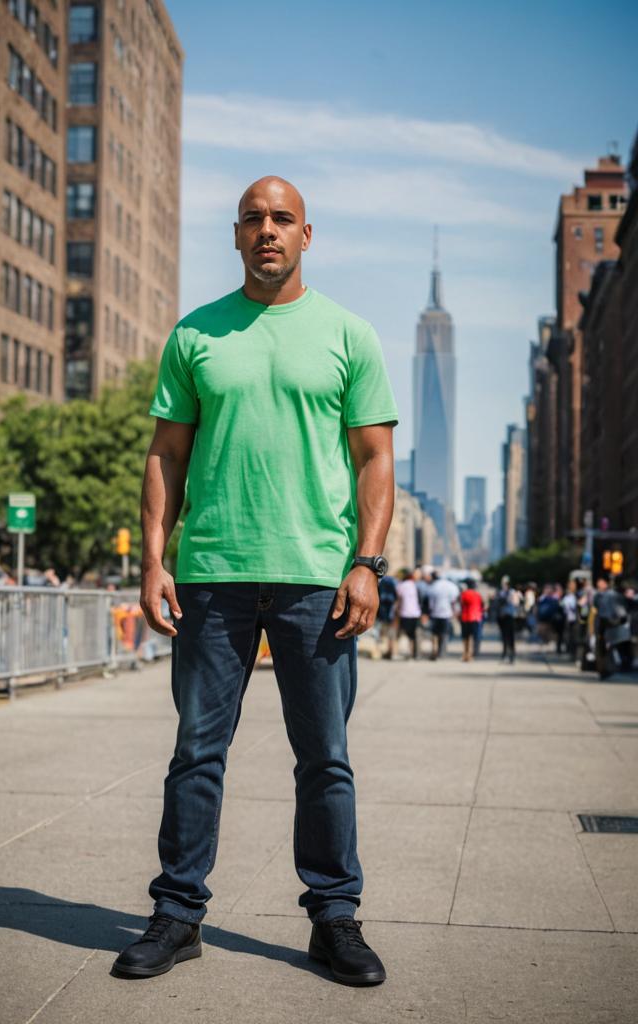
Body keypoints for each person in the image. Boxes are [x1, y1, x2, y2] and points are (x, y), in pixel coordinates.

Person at [113, 176, 397, 986]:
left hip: (319, 580)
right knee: (196, 752)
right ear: (235, 235)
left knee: (326, 758)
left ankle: (335, 918)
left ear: (308, 234)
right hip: (212, 577)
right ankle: (177, 916)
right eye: (253, 219)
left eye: (282, 219)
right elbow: (166, 455)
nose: (267, 230)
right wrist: (153, 560)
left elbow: (376, 459)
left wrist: (367, 564)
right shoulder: (195, 334)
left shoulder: (349, 335)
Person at [427, 571, 459, 659]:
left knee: (434, 634)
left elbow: (431, 603)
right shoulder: (451, 586)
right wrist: (454, 612)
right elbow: (453, 601)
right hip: (446, 613)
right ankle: (442, 652)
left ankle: (434, 651)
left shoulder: (433, 586)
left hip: (435, 613)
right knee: (444, 634)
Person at [396, 569, 422, 660]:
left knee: (405, 634)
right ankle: (414, 653)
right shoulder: (414, 585)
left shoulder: (400, 586)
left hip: (405, 613)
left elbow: (399, 600)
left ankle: (406, 652)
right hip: (415, 613)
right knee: (413, 635)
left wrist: (397, 611)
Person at [374, 573, 398, 659]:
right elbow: (396, 598)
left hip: (380, 612)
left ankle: (377, 652)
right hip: (390, 612)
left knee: (379, 633)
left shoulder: (380, 584)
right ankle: (391, 652)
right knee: (391, 633)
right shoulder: (393, 583)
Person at [495, 575, 519, 664]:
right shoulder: (500, 592)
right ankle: (504, 653)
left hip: (510, 616)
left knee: (511, 636)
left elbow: (515, 603)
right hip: (502, 617)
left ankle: (512, 654)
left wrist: (511, 598)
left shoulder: (512, 592)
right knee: (504, 636)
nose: (504, 585)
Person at [459, 578, 483, 662]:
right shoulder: (478, 594)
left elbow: (461, 605)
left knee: (465, 637)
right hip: (476, 617)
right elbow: (482, 605)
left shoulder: (464, 594)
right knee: (473, 637)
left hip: (466, 617)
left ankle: (466, 654)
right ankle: (471, 655)